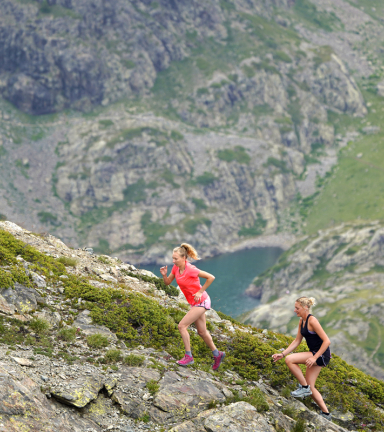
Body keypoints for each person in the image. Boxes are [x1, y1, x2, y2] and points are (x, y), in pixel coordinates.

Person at [160, 243, 225, 370]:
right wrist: (163, 274)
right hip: (195, 303)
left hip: (202, 301)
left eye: (176, 259)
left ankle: (188, 357)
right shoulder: (175, 268)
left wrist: (200, 291)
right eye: (173, 258)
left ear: (184, 258)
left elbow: (211, 277)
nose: (173, 261)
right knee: (202, 332)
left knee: (182, 326)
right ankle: (218, 354)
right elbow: (168, 283)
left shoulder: (191, 269)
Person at [272, 297, 332, 421]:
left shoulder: (312, 320)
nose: (295, 310)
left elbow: (327, 341)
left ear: (305, 307)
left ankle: (304, 388)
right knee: (311, 386)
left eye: (297, 308)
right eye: (295, 308)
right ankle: (326, 414)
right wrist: (282, 354)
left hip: (321, 355)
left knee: (290, 360)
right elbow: (297, 341)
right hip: (315, 354)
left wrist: (315, 357)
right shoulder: (302, 321)